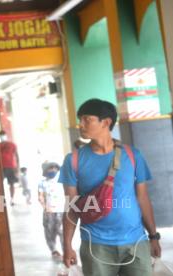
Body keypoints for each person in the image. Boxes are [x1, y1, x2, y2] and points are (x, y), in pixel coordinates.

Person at [59, 98, 161, 275]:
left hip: (136, 242)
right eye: (80, 119)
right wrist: (67, 246)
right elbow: (71, 207)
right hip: (96, 245)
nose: (80, 124)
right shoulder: (73, 160)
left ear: (106, 122)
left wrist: (153, 236)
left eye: (86, 119)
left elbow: (142, 198)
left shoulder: (133, 155)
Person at [38, 161, 65, 259]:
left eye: (55, 168)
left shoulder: (62, 181)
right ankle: (53, 249)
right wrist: (45, 207)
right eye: (50, 168)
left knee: (62, 231)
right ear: (45, 170)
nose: (53, 170)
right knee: (50, 231)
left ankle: (66, 251)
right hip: (48, 212)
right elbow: (40, 196)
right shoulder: (42, 183)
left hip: (61, 210)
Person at [0, 130, 19, 205]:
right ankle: (2, 200)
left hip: (11, 167)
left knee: (12, 184)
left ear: (6, 135)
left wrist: (17, 168)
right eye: (1, 135)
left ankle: (12, 199)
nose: (2, 136)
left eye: (3, 134)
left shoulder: (12, 144)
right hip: (0, 167)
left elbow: (16, 156)